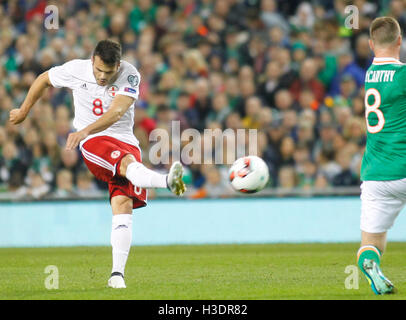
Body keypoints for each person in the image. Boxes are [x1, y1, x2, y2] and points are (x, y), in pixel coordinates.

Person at [9, 39, 186, 289]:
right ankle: (166, 180)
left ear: (119, 66)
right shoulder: (76, 69)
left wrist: (83, 130)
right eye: (99, 70)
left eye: (109, 72)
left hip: (125, 140)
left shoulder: (130, 74)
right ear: (92, 60)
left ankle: (116, 276)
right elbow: (43, 79)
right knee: (127, 164)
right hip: (93, 141)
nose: (102, 77)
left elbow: (116, 113)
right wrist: (24, 110)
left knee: (123, 206)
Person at [356, 16, 406, 295]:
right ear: (399, 41)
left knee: (372, 244)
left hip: (375, 173)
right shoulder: (402, 76)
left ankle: (372, 264)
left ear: (371, 45)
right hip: (404, 165)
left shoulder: (369, 75)